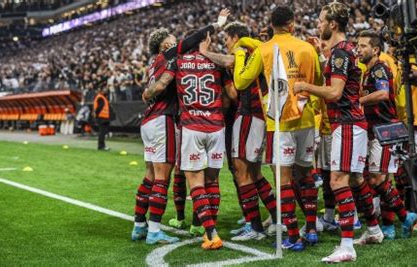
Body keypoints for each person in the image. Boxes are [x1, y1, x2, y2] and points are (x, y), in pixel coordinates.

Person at [294, 2, 382, 262]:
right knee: (354, 180)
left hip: (346, 123)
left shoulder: (342, 53)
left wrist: (305, 86)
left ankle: (346, 246)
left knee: (337, 182)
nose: (318, 25)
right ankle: (374, 229)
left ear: (333, 24)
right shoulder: (342, 51)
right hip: (351, 122)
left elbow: (335, 92)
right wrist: (323, 55)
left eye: (321, 20)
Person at [133, 9, 231, 245]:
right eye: (170, 42)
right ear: (163, 47)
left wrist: (146, 92)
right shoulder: (169, 56)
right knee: (161, 178)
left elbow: (155, 87)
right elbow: (193, 39)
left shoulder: (154, 64)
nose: (176, 44)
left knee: (149, 176)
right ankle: (155, 231)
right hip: (163, 120)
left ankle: (139, 225)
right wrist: (217, 24)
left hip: (149, 121)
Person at [233, 5, 322, 251]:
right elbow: (320, 82)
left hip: (279, 123)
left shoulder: (263, 50)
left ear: (271, 25)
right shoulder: (307, 48)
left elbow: (241, 81)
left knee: (283, 179)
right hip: (305, 119)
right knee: (305, 176)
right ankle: (312, 229)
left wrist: (240, 53)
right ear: (292, 24)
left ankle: (293, 236)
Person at [199, 22, 279, 240]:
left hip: (250, 114)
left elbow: (229, 60)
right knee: (253, 172)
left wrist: (205, 53)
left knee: (241, 171)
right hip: (258, 115)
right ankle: (275, 219)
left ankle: (255, 228)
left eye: (226, 38)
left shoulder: (244, 49)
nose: (225, 43)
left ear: (235, 37)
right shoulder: (255, 50)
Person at [356, 30, 417, 241]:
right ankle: (390, 225)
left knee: (377, 179)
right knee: (379, 179)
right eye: (358, 45)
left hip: (386, 131)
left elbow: (382, 94)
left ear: (375, 49)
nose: (359, 49)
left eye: (363, 46)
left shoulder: (380, 69)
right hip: (375, 130)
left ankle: (405, 216)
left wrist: (360, 101)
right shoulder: (368, 70)